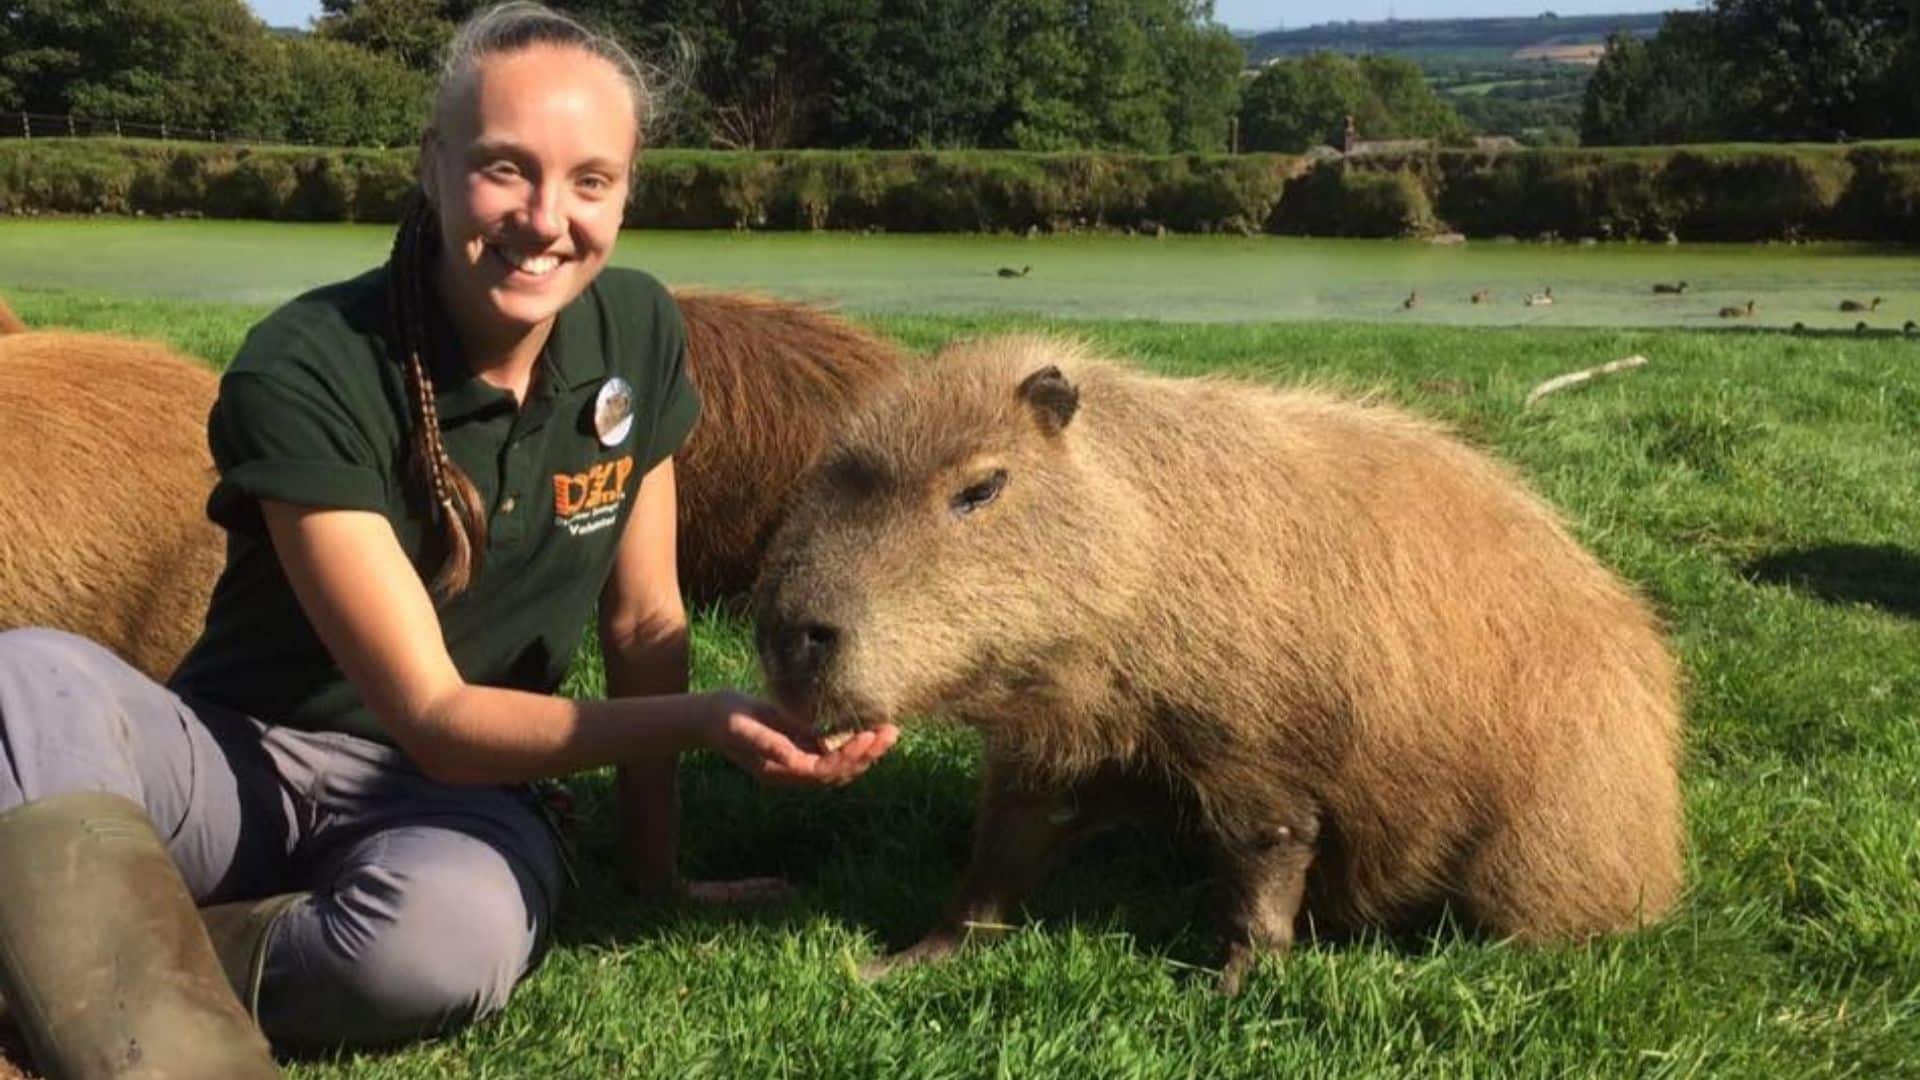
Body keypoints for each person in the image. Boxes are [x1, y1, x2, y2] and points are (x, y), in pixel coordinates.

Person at [0, 2, 896, 1072]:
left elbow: (648, 615)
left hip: (463, 804)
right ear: (432, 165)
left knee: (439, 949)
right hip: (242, 764)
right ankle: (158, 1042)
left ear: (627, 191)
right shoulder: (307, 362)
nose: (546, 218)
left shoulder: (638, 333)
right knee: (28, 680)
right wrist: (710, 719)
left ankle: (108, 955)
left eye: (590, 181)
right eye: (504, 169)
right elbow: (427, 713)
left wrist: (653, 871)